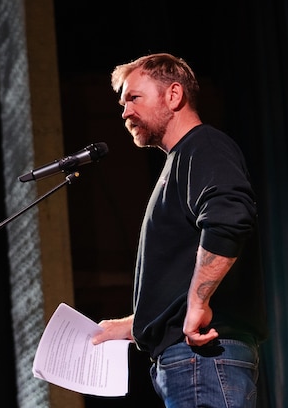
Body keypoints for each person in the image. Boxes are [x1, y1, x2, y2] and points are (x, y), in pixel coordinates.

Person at [90, 53, 268, 407]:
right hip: (191, 364)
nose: (125, 112)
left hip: (203, 360)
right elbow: (176, 290)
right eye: (123, 104)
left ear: (173, 95)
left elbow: (228, 218)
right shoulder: (181, 160)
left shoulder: (204, 146)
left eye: (134, 98)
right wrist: (132, 326)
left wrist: (198, 303)